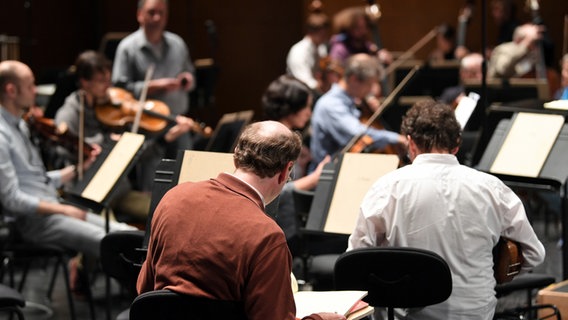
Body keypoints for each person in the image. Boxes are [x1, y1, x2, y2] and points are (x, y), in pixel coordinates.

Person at [348, 99, 546, 319]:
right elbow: (534, 254)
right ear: (457, 144)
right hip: (476, 313)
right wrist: (494, 273)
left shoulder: (386, 187)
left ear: (411, 143)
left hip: (409, 315)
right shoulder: (492, 188)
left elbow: (356, 261)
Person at [137, 120, 345, 320]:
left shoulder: (173, 197)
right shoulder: (267, 236)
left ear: (236, 157)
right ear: (284, 172)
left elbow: (145, 288)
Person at [0, 60, 136, 266]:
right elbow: (12, 200)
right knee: (114, 244)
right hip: (32, 222)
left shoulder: (21, 125)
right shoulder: (2, 136)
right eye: (30, 85)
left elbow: (41, 180)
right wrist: (64, 210)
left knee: (129, 234)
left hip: (53, 208)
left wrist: (78, 169)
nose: (35, 90)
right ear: (11, 90)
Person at [112, 0, 197, 190]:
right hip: (148, 125)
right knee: (154, 183)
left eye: (161, 13)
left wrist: (187, 79)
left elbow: (191, 75)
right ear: (139, 15)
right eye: (151, 12)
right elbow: (119, 91)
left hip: (177, 121)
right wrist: (153, 86)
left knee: (186, 178)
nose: (157, 18)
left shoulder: (177, 43)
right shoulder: (127, 47)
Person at [262, 74, 330, 252]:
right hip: (280, 230)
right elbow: (272, 191)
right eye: (306, 106)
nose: (310, 113)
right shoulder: (274, 139)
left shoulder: (284, 135)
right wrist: (315, 178)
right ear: (291, 107)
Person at [310, 53, 405, 168]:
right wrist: (395, 138)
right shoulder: (331, 105)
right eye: (369, 84)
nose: (371, 90)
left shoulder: (352, 102)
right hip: (327, 176)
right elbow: (357, 133)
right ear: (353, 79)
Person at [328, 6, 393, 66]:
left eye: (365, 27)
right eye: (358, 28)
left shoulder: (366, 45)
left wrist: (381, 55)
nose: (363, 31)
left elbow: (378, 54)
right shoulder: (340, 48)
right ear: (349, 29)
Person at [286, 12, 331, 94]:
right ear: (311, 32)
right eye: (323, 34)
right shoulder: (299, 51)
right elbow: (304, 80)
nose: (326, 37)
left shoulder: (321, 48)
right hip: (298, 94)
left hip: (314, 92)